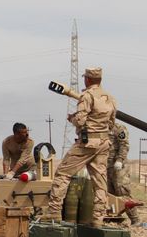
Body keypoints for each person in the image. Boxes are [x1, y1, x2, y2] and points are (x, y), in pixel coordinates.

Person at [42, 67, 116, 226]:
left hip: (87, 143)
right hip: (103, 143)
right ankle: (98, 219)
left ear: (87, 79)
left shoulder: (87, 96)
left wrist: (72, 119)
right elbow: (112, 123)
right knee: (100, 182)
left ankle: (54, 212)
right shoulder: (110, 98)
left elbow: (81, 120)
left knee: (63, 173)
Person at [107, 122, 140, 224]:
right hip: (105, 166)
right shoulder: (99, 129)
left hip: (119, 166)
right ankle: (114, 219)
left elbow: (124, 145)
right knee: (109, 194)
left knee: (122, 192)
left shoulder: (119, 128)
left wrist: (120, 160)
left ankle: (135, 219)